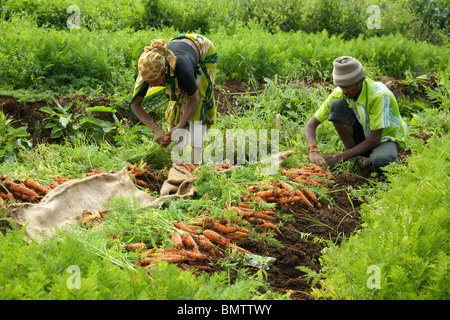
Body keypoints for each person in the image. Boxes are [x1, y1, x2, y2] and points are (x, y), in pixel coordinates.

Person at [304, 56, 407, 173]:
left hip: (384, 139)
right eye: (341, 87)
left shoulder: (379, 95)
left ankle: (376, 161)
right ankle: (356, 156)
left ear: (360, 81)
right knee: (336, 105)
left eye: (348, 87)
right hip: (364, 135)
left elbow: (375, 139)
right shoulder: (340, 93)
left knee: (380, 161)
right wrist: (313, 149)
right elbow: (310, 125)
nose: (344, 91)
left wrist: (338, 158)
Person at [129, 34, 218, 164]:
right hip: (180, 46)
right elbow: (135, 105)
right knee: (176, 105)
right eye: (148, 82)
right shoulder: (149, 67)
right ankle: (176, 149)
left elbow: (195, 100)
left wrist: (179, 126)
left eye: (154, 81)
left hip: (203, 49)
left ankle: (195, 163)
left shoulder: (183, 69)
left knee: (198, 107)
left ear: (165, 70)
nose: (151, 85)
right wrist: (155, 130)